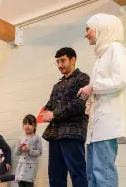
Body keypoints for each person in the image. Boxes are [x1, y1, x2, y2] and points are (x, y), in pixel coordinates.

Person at [78, 13, 126, 187]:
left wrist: (93, 87)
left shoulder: (116, 49)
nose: (86, 34)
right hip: (96, 124)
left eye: (88, 29)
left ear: (102, 29)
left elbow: (121, 79)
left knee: (103, 171)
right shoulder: (99, 57)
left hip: (108, 122)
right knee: (92, 173)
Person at [42, 47, 90, 187]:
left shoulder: (82, 78)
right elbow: (48, 106)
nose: (60, 65)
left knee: (77, 173)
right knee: (55, 176)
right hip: (54, 134)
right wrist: (47, 113)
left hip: (72, 134)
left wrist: (54, 114)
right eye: (57, 62)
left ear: (73, 60)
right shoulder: (57, 85)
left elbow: (78, 105)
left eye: (63, 61)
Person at [13, 114, 43, 187]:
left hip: (31, 166)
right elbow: (17, 153)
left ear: (35, 125)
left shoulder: (37, 138)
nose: (27, 126)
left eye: (29, 124)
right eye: (25, 124)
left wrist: (30, 150)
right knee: (21, 184)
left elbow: (40, 152)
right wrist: (19, 148)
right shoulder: (21, 138)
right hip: (21, 165)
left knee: (29, 184)